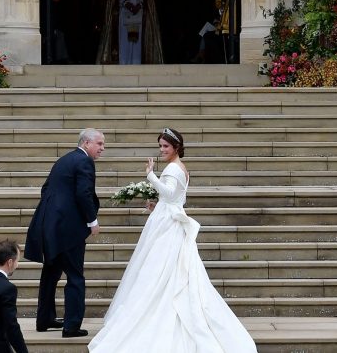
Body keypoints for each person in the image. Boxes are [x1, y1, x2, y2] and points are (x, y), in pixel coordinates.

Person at [88, 128, 257, 353]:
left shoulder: (172, 168)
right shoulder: (182, 168)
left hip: (167, 227)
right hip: (170, 220)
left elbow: (168, 194)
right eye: (160, 146)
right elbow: (175, 198)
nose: (161, 151)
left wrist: (150, 174)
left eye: (165, 146)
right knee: (166, 271)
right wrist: (157, 205)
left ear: (176, 147)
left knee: (158, 272)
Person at [24, 128, 105, 337]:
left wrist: (54, 215)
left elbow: (46, 189)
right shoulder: (85, 161)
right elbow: (83, 193)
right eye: (99, 144)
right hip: (68, 230)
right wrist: (92, 221)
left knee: (50, 274)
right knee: (76, 277)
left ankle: (44, 319)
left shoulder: (64, 159)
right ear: (86, 143)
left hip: (49, 226)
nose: (102, 149)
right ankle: (72, 326)